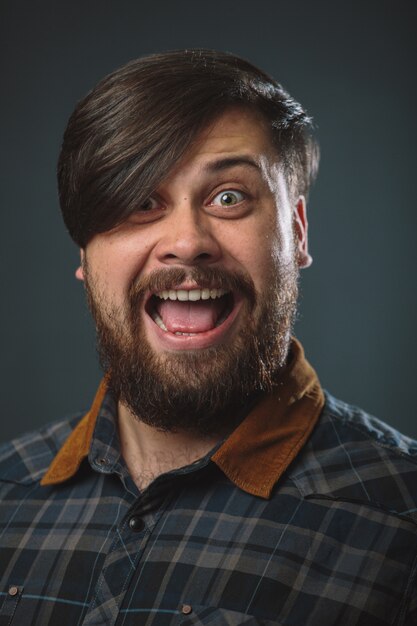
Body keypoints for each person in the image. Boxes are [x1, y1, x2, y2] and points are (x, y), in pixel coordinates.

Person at [0, 49, 416, 626]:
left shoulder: (402, 517)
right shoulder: (6, 494)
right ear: (85, 253)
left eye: (229, 197)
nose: (187, 241)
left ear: (295, 232)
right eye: (140, 201)